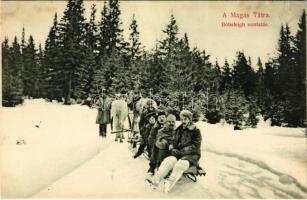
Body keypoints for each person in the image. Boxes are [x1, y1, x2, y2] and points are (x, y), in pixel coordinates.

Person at [146, 110, 202, 193]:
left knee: (179, 165)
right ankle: (154, 182)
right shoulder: (179, 129)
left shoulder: (195, 131)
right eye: (182, 119)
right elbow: (173, 140)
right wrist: (172, 147)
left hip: (191, 156)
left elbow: (195, 146)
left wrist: (181, 151)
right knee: (168, 161)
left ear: (190, 119)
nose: (183, 121)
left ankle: (168, 184)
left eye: (185, 119)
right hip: (178, 153)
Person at [147, 110, 166, 175]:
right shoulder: (155, 127)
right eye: (160, 117)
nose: (161, 119)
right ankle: (152, 167)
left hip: (167, 143)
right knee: (156, 149)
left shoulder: (169, 126)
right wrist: (155, 142)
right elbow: (150, 138)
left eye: (163, 117)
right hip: (157, 144)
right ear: (157, 119)